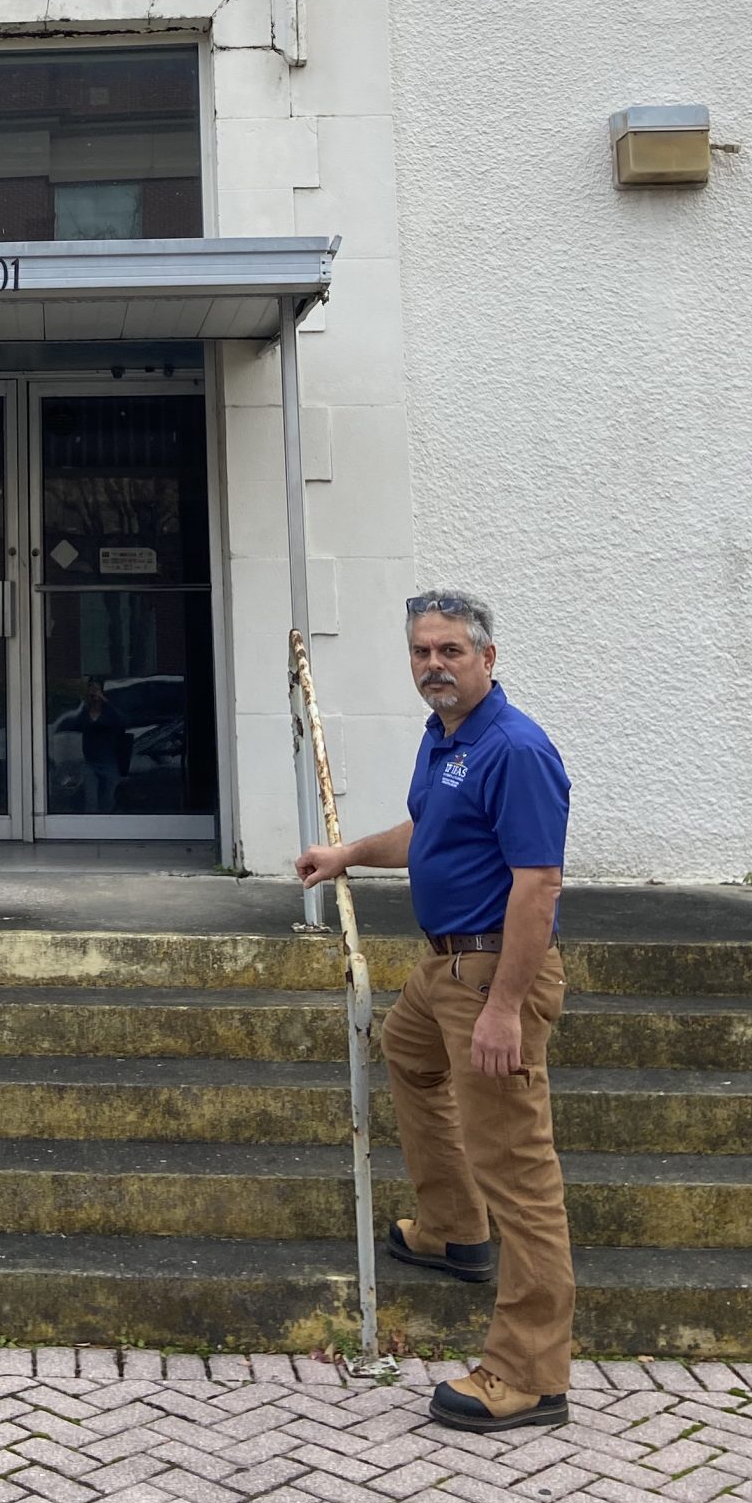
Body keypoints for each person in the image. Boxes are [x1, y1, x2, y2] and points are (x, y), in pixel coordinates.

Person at [296, 589, 574, 1432]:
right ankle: (454, 1228)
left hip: (492, 971)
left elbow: (539, 884)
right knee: (408, 1049)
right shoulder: (446, 738)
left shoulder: (516, 749)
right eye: (422, 652)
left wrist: (505, 1008)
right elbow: (429, 834)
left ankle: (529, 1375)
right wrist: (348, 853)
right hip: (444, 967)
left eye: (450, 651)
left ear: (488, 657)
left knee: (521, 1176)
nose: (433, 666)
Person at [75, 677, 132, 812]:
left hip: (109, 762)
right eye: (91, 689)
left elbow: (124, 722)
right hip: (90, 763)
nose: (94, 692)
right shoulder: (85, 712)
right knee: (91, 801)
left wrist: (105, 701)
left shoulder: (110, 712)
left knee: (108, 800)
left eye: (96, 689)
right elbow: (78, 724)